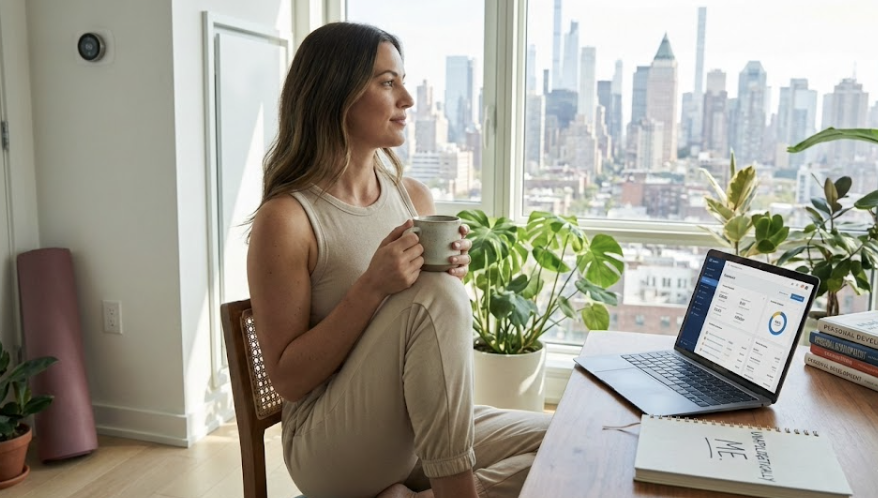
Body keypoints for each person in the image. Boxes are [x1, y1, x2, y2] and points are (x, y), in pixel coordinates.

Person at [247, 22, 550, 498]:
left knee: (570, 441)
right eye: (388, 83)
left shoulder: (413, 198)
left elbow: (426, 335)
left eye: (402, 81)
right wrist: (372, 287)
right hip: (329, 444)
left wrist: (449, 279)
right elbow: (288, 379)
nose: (407, 99)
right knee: (434, 295)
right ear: (335, 94)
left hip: (416, 426)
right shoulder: (286, 219)